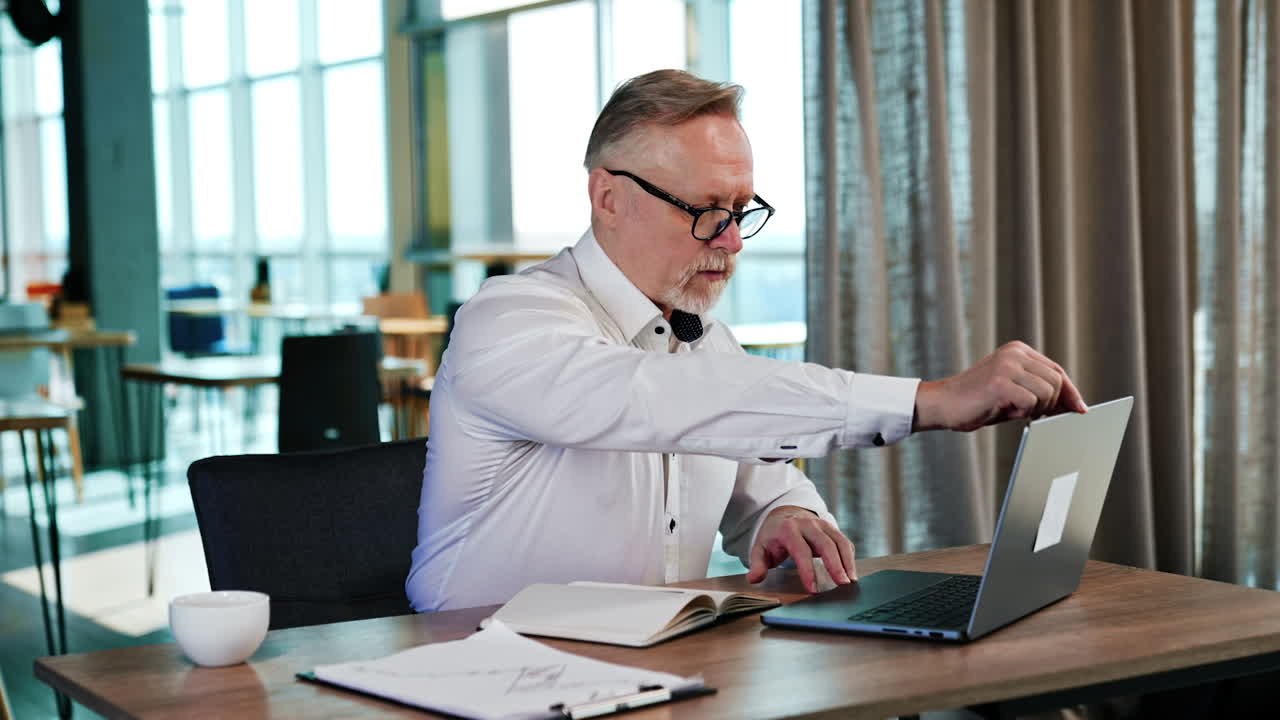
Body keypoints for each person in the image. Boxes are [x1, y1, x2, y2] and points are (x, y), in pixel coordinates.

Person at [405, 69, 1086, 612]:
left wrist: (781, 515)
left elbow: (759, 476)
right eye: (705, 211)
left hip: (651, 673)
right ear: (608, 198)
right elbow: (662, 401)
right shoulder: (509, 321)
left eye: (741, 211)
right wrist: (927, 400)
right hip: (476, 673)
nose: (730, 242)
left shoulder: (707, 343)